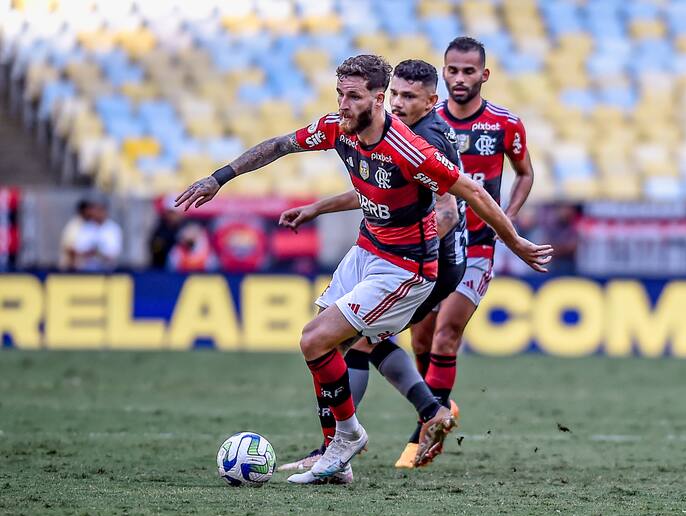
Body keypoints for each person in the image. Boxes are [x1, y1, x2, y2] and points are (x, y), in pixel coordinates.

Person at [174, 54, 552, 486]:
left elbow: (470, 193)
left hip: (406, 267)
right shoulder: (339, 128)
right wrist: (218, 178)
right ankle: (341, 453)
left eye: (352, 96)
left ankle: (353, 436)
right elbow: (280, 146)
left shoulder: (411, 147)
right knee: (330, 346)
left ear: (377, 99)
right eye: (339, 94)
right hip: (367, 250)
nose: (343, 104)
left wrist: (514, 241)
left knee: (318, 340)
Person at [274, 59, 468, 475]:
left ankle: (341, 445)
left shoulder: (423, 138)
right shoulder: (392, 130)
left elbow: (448, 211)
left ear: (431, 102)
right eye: (395, 94)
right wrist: (318, 207)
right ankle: (429, 410)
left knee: (351, 340)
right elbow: (376, 188)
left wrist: (404, 253)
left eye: (409, 97)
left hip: (426, 260)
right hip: (404, 255)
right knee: (358, 338)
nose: (398, 103)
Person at [390, 37, 535, 463]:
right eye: (452, 70)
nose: (459, 78)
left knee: (447, 333)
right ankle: (438, 407)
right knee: (421, 339)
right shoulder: (423, 120)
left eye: (468, 71)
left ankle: (423, 437)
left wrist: (505, 219)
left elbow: (525, 173)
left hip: (478, 245)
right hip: (434, 243)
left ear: (483, 75)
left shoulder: (505, 124)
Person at [59, 195, 122, 272]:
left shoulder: (113, 228)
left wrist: (98, 253)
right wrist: (90, 252)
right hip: (86, 271)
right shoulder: (85, 226)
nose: (96, 213)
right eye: (95, 210)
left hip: (107, 272)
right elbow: (78, 249)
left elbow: (113, 253)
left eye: (100, 210)